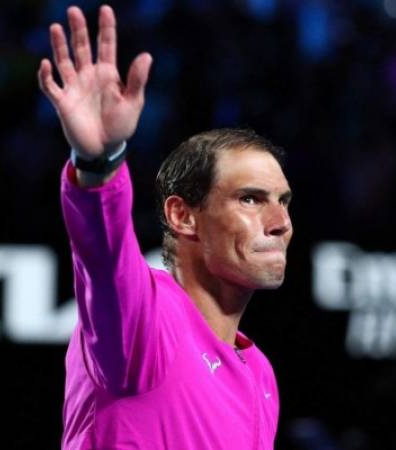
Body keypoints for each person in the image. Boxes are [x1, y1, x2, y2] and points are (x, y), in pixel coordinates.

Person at [38, 4, 293, 450]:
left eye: (283, 201)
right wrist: (99, 163)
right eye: (250, 199)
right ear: (182, 215)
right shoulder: (147, 324)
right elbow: (103, 257)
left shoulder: (261, 374)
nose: (280, 223)